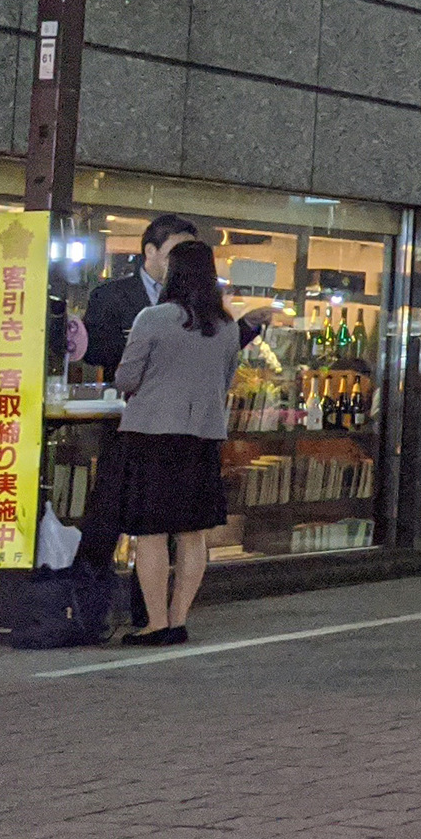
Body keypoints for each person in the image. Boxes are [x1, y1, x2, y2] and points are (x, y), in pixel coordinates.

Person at [76, 215, 265, 582]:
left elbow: (141, 373)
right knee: (117, 517)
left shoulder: (193, 316)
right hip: (133, 427)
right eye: (175, 250)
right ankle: (99, 603)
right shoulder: (114, 295)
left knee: (158, 529)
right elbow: (93, 348)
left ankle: (153, 614)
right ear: (150, 250)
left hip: (156, 428)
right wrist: (135, 345)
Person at [102, 239, 247, 645]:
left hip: (152, 436)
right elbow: (226, 381)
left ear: (175, 272)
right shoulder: (228, 326)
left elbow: (126, 378)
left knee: (150, 533)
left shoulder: (153, 318)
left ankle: (156, 622)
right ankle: (180, 619)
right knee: (192, 533)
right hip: (202, 438)